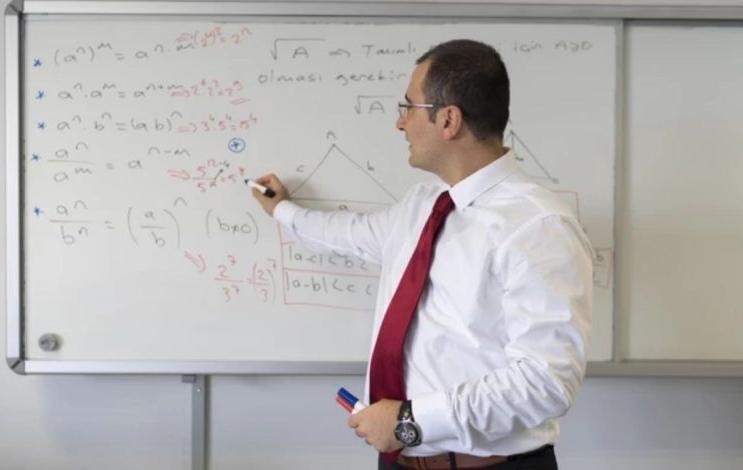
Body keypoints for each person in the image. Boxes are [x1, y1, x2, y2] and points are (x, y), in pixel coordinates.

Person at [250, 39, 593, 470]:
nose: (400, 122)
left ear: (448, 120)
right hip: (400, 461)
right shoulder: (422, 206)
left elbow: (545, 383)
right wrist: (282, 210)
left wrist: (409, 421)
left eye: (408, 107)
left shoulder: (536, 225)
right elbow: (348, 235)